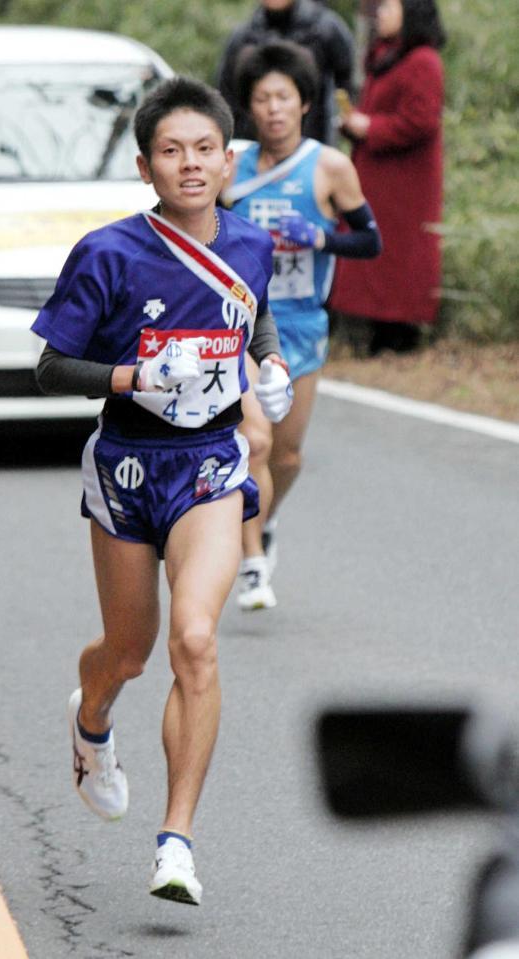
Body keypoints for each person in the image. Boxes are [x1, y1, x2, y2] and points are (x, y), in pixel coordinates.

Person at [31, 77, 292, 906]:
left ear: (227, 159)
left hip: (211, 464)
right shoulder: (108, 252)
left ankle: (176, 840)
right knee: (130, 652)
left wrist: (271, 365)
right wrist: (134, 374)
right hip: (127, 467)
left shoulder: (250, 244)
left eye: (204, 149)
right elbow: (48, 366)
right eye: (172, 151)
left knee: (196, 639)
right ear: (146, 166)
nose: (190, 164)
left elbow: (252, 318)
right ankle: (92, 720)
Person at [222, 41, 381, 610]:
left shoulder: (330, 166)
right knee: (255, 444)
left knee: (286, 456)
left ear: (305, 104)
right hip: (238, 326)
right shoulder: (229, 164)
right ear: (249, 106)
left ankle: (261, 525)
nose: (272, 109)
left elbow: (370, 240)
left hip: (302, 326)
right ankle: (252, 565)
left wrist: (319, 238)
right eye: (261, 98)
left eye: (283, 97)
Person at [330, 0, 447, 354]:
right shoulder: (385, 56)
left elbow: (422, 121)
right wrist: (354, 123)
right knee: (375, 253)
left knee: (403, 256)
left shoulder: (424, 61)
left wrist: (370, 126)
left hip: (406, 182)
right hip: (377, 176)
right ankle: (373, 334)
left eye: (389, 6)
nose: (380, 12)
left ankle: (400, 336)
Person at [217, 0, 355, 146]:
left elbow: (348, 83)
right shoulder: (244, 35)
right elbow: (226, 93)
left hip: (313, 139)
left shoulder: (325, 28)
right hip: (254, 144)